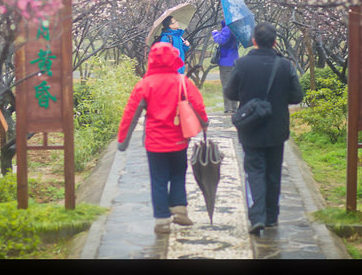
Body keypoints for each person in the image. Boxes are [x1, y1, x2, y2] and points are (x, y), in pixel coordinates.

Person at [117, 42, 209, 234]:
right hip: (179, 141)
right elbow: (198, 105)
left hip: (155, 143)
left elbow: (130, 114)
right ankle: (180, 209)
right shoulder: (183, 81)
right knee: (178, 173)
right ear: (175, 58)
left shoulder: (145, 84)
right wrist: (205, 123)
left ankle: (161, 220)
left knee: (158, 179)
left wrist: (123, 141)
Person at [224, 22, 303, 235]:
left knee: (255, 171)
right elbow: (297, 96)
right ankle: (271, 217)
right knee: (273, 172)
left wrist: (248, 96)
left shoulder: (242, 64)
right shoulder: (285, 66)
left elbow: (230, 93)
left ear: (254, 41)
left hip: (250, 128)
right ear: (275, 41)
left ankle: (257, 217)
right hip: (276, 128)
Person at [211, 22, 240, 113]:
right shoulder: (237, 27)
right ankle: (234, 107)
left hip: (226, 61)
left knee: (226, 85)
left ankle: (228, 108)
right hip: (234, 59)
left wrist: (215, 33)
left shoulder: (228, 27)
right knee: (234, 84)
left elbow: (221, 41)